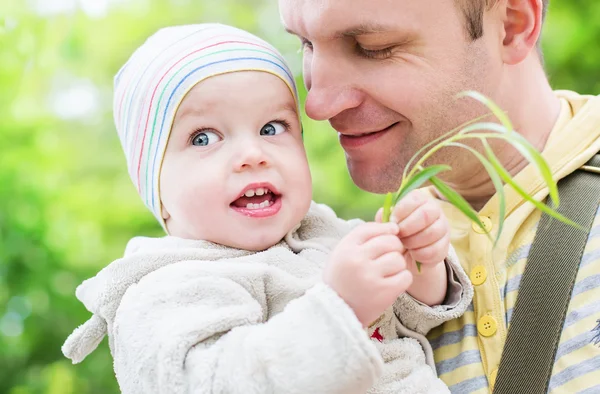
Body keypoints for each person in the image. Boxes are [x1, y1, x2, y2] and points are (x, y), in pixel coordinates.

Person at [61, 23, 474, 394]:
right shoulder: (165, 292)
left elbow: (415, 323)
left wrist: (419, 264)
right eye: (204, 138)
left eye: (272, 128)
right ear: (156, 187)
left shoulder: (328, 236)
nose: (252, 154)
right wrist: (340, 308)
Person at [278, 0, 600, 392]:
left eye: (372, 46)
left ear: (513, 24)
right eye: (306, 45)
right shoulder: (338, 276)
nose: (317, 105)